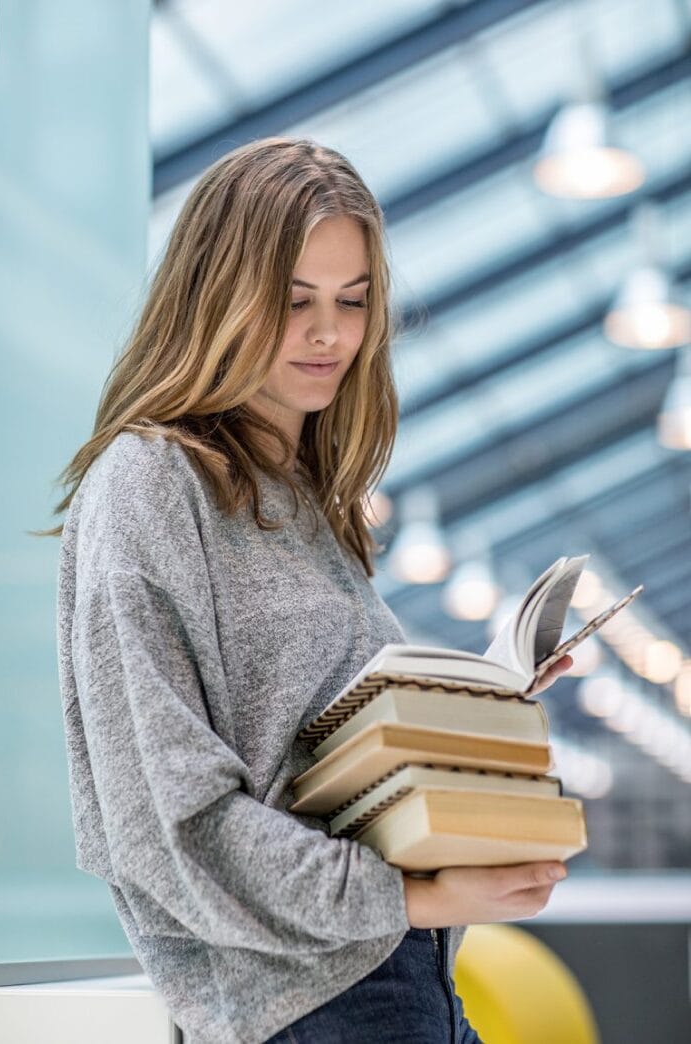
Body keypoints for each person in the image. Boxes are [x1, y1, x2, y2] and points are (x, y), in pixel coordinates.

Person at [41, 136, 572, 1044]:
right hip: (308, 1008)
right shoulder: (148, 486)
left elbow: (319, 771)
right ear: (218, 295)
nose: (331, 335)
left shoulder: (302, 499)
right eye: (294, 303)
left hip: (403, 981)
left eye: (353, 301)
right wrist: (413, 895)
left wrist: (476, 702)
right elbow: (172, 825)